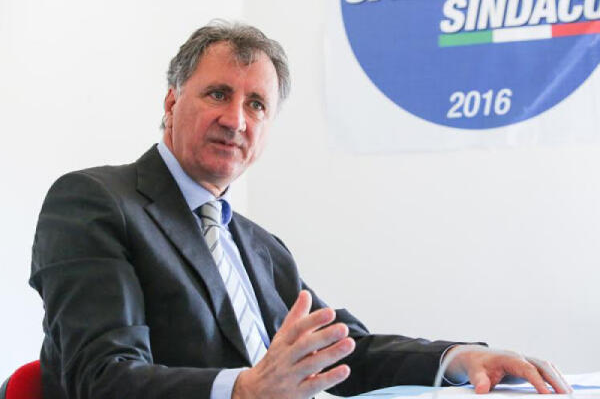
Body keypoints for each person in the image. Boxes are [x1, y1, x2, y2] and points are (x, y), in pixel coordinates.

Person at [29, 21, 570, 399]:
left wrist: (458, 358)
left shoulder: (259, 246)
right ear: (172, 103)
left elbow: (344, 351)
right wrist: (244, 390)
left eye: (256, 104)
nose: (236, 120)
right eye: (217, 94)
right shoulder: (96, 202)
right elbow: (101, 378)